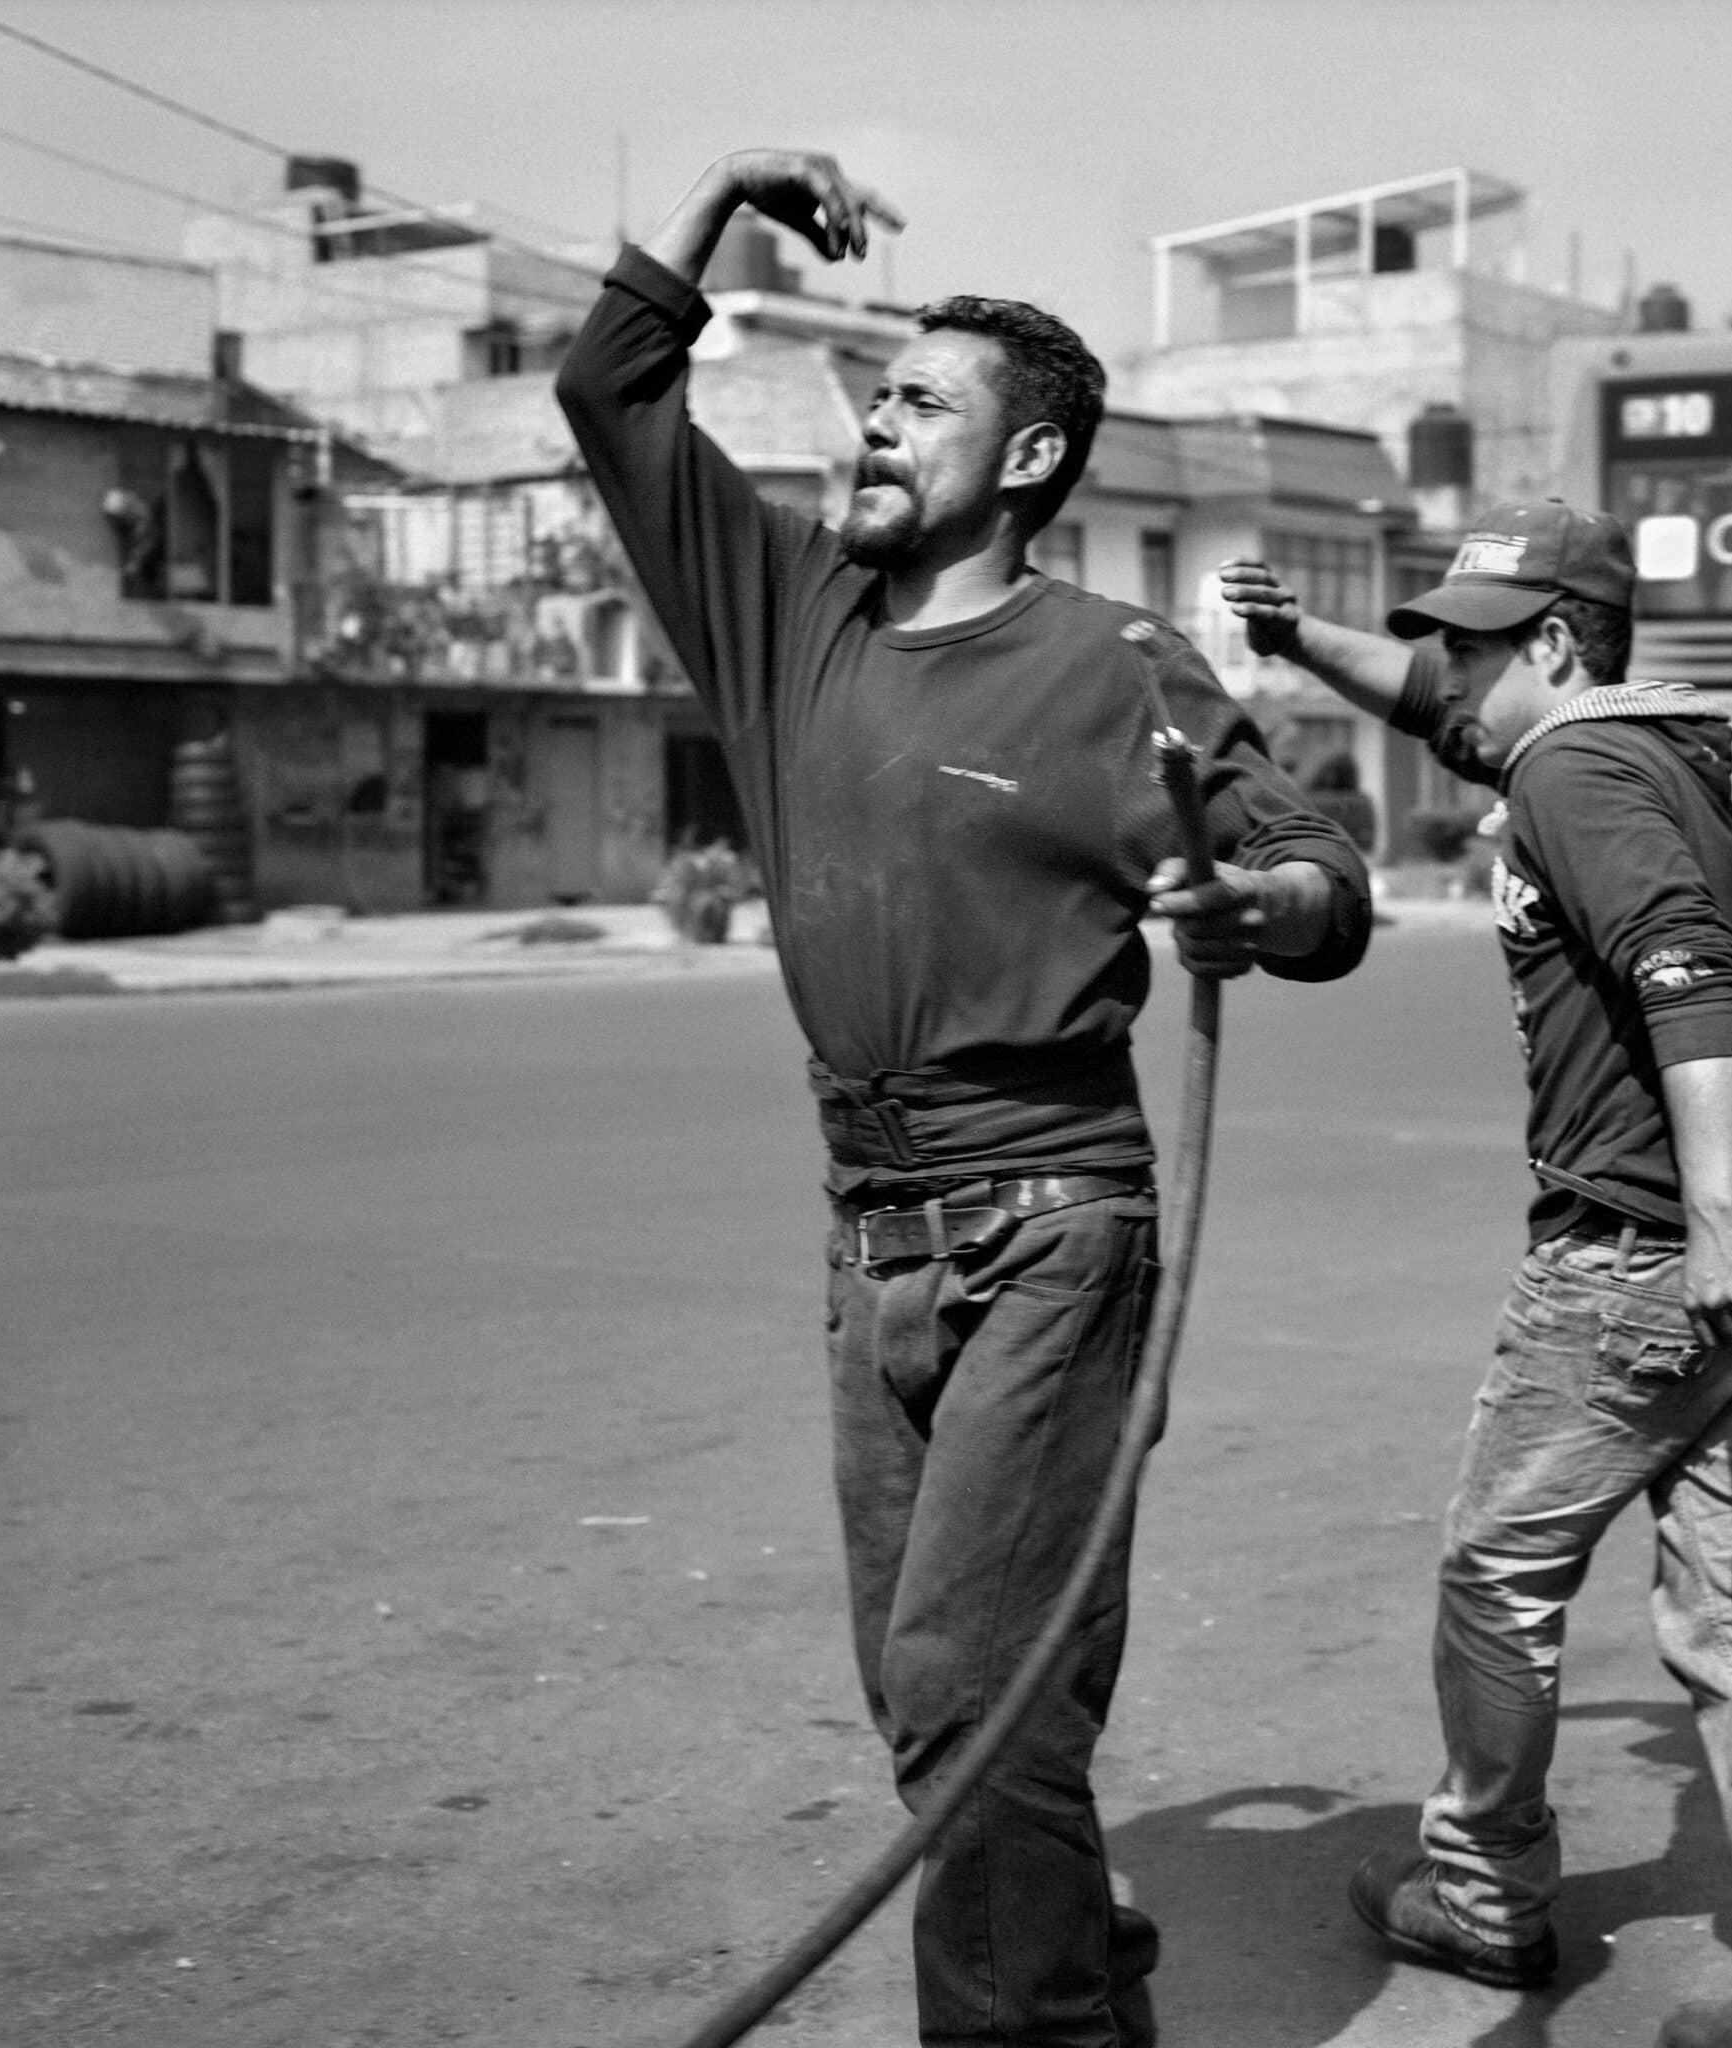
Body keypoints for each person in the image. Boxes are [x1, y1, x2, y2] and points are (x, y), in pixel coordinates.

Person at [556, 149, 1374, 2048]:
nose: (872, 424)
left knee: (965, 1687)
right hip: (870, 1239)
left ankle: (1041, 2028)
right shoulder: (791, 616)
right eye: (875, 395)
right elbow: (613, 391)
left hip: (1051, 1230)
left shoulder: (1115, 665)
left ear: (1026, 462)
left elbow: (1314, 865)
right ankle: (1071, 1944)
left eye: (919, 402)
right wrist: (714, 202)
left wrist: (1263, 902)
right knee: (946, 1694)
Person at [1219, 505, 1732, 2048]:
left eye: (1472, 639)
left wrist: (1711, 1213)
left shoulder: (1575, 768)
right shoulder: (1632, 744)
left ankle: (1482, 1891)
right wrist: (1294, 647)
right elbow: (1433, 711)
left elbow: (1684, 962)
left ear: (1553, 644)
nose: (1441, 666)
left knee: (1496, 1576)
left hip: (1642, 1261)